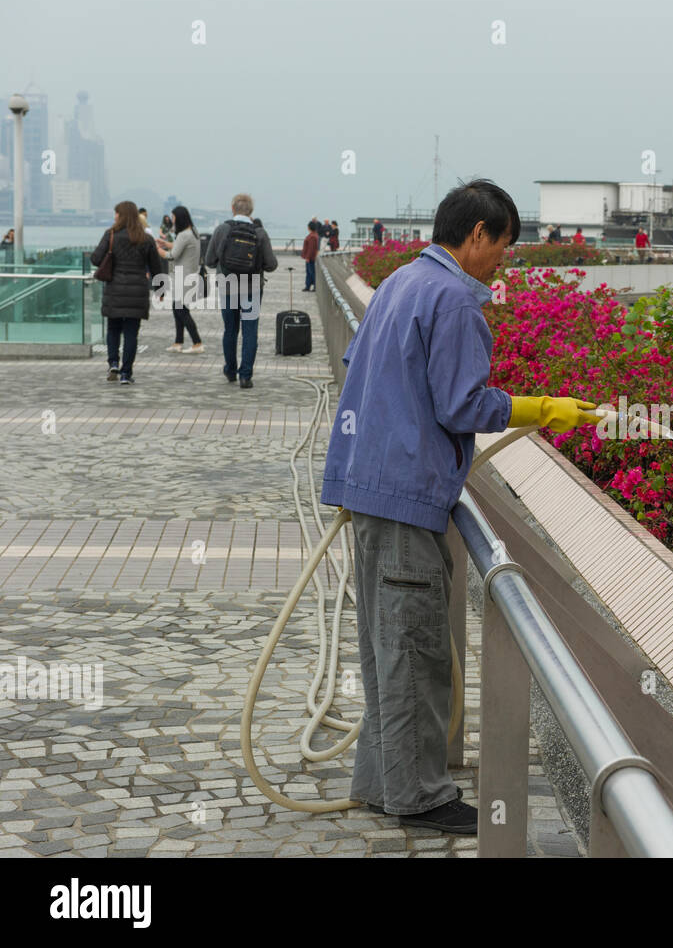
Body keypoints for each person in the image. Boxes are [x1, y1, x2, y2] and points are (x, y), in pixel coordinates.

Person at [320, 179, 600, 832]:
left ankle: (379, 781)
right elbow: (461, 404)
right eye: (503, 245)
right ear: (476, 234)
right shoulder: (454, 303)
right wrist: (535, 406)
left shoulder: (399, 284)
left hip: (369, 484)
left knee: (385, 646)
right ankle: (419, 795)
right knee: (414, 648)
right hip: (405, 492)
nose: (505, 260)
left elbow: (357, 359)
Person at [205, 193, 278, 389]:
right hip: (252, 288)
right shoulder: (260, 233)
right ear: (251, 211)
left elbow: (209, 261)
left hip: (227, 287)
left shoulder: (222, 229)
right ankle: (245, 376)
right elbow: (271, 264)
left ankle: (230, 370)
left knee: (230, 329)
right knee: (250, 331)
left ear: (232, 208)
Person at [90, 201, 162, 385]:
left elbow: (96, 259)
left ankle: (113, 362)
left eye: (116, 213)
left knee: (113, 329)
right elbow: (156, 267)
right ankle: (126, 373)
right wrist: (160, 290)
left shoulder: (111, 234)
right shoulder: (146, 239)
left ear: (121, 215)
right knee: (131, 333)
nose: (114, 216)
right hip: (137, 291)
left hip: (115, 289)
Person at [155, 205, 204, 353]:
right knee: (178, 309)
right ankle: (178, 342)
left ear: (180, 218)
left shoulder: (183, 235)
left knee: (181, 311)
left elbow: (172, 255)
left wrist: (157, 249)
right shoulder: (193, 232)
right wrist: (167, 244)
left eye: (174, 217)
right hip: (189, 276)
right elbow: (180, 248)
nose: (172, 220)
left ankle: (197, 342)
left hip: (182, 277)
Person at [301, 221, 319, 291]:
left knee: (311, 272)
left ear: (309, 227)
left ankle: (314, 286)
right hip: (311, 257)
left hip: (311, 258)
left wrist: (308, 257)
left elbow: (311, 248)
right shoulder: (314, 235)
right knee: (309, 272)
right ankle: (308, 286)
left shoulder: (312, 236)